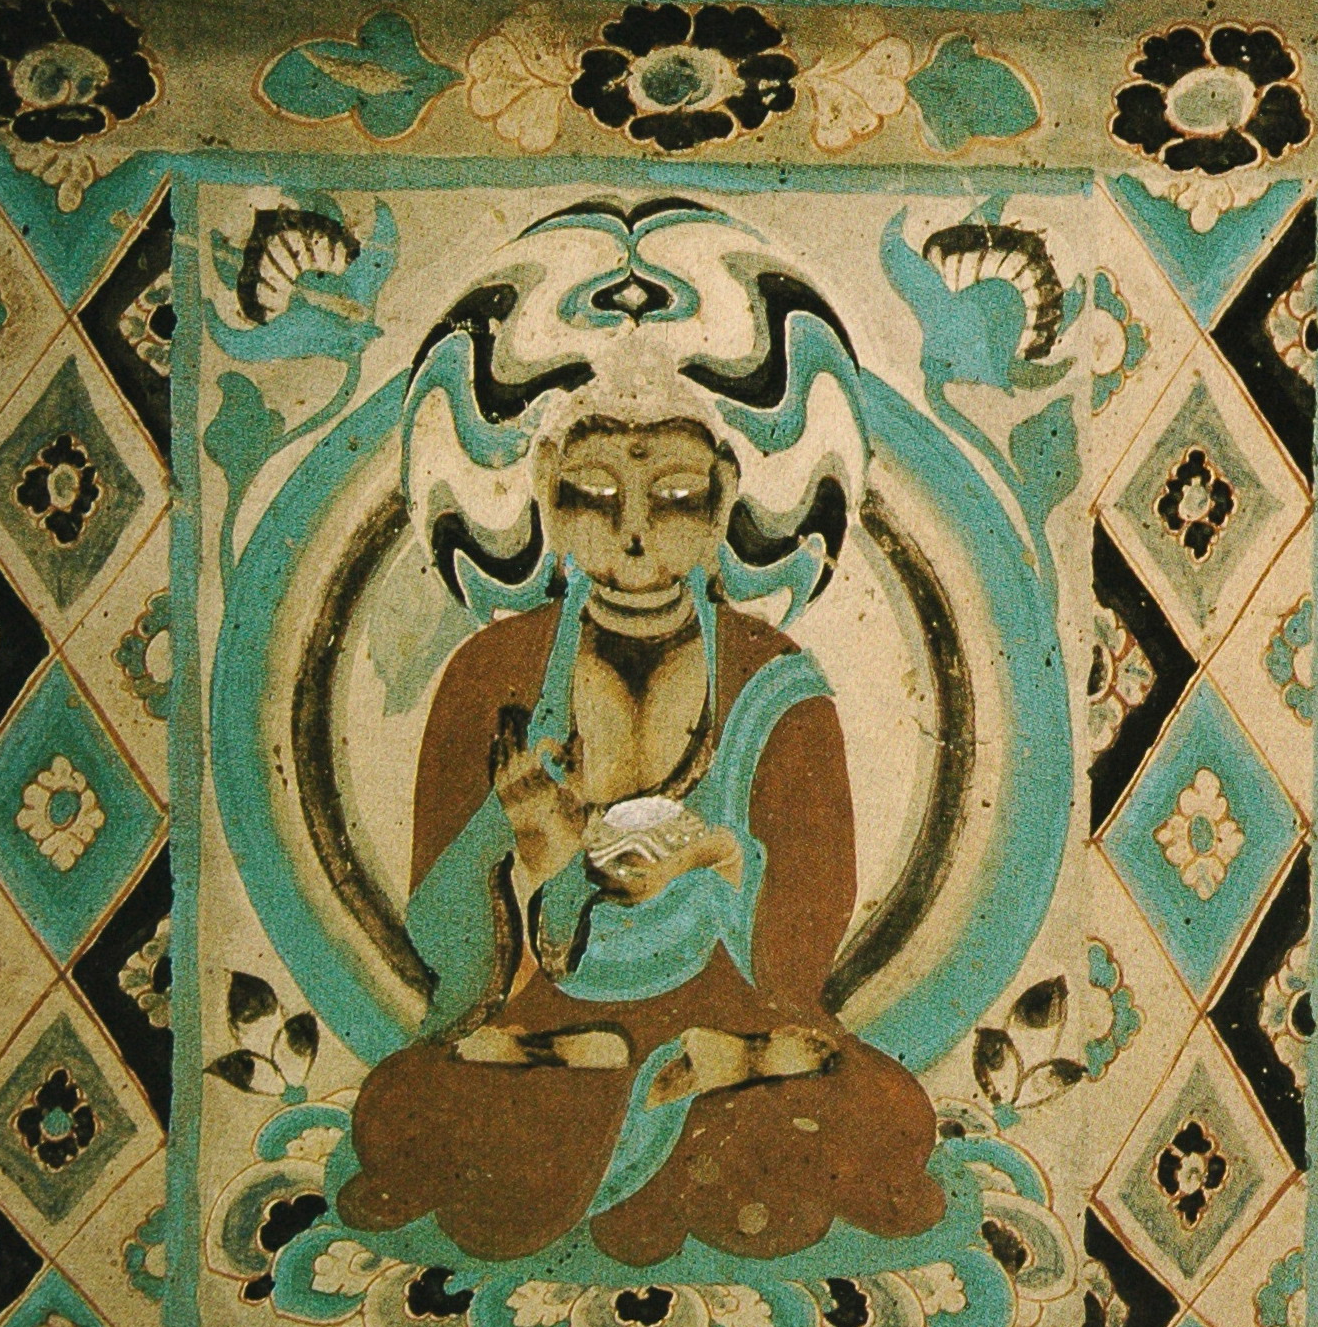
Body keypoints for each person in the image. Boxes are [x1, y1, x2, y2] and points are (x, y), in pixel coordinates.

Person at [336, 411, 946, 1267]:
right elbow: (445, 936)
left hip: (727, 1011)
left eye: (675, 499)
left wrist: (715, 859)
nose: (632, 533)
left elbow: (805, 937)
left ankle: (690, 1072)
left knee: (881, 1115)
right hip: (546, 1021)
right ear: (545, 491)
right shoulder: (490, 672)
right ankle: (673, 1077)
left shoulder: (776, 681)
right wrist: (532, 854)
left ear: (724, 500)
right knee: (407, 1106)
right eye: (592, 496)